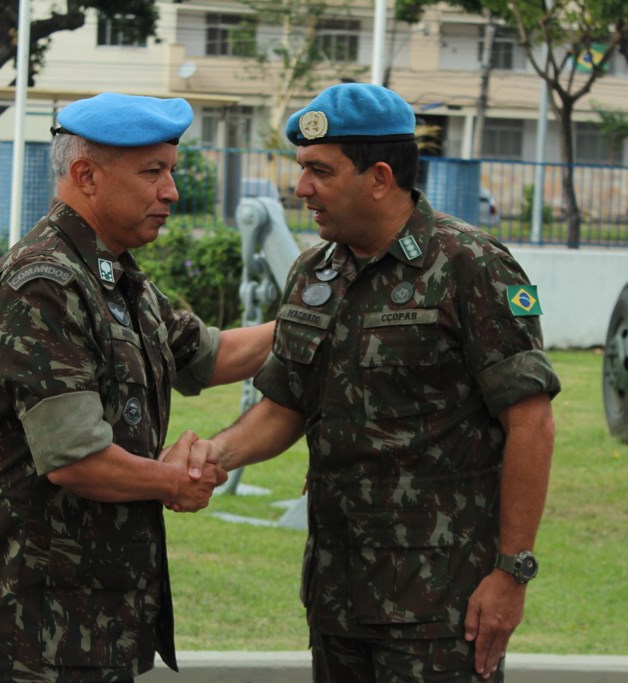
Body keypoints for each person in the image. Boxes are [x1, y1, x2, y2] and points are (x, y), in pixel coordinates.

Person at [183, 84, 561, 682]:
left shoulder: (472, 266)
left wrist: (511, 574)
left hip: (440, 604)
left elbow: (531, 423)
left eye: (319, 172)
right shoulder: (315, 272)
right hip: (337, 593)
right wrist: (215, 454)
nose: (301, 188)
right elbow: (285, 403)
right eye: (302, 170)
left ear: (380, 177)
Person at [0, 92, 274, 682]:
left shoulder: (115, 276)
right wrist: (177, 479)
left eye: (171, 171)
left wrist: (313, 315)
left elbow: (210, 356)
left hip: (91, 608)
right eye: (153, 172)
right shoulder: (42, 283)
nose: (170, 191)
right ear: (87, 176)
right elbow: (77, 459)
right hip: (26, 621)